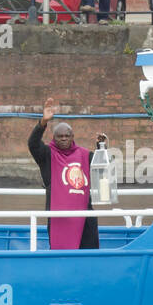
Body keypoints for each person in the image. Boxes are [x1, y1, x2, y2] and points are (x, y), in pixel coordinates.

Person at [28, 98, 100, 250]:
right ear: (54, 138)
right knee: (60, 253)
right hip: (58, 217)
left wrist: (102, 146)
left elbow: (104, 165)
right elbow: (33, 144)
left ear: (72, 137)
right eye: (60, 137)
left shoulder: (85, 155)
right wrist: (42, 123)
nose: (64, 139)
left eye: (67, 136)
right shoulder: (47, 155)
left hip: (84, 216)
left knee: (89, 254)